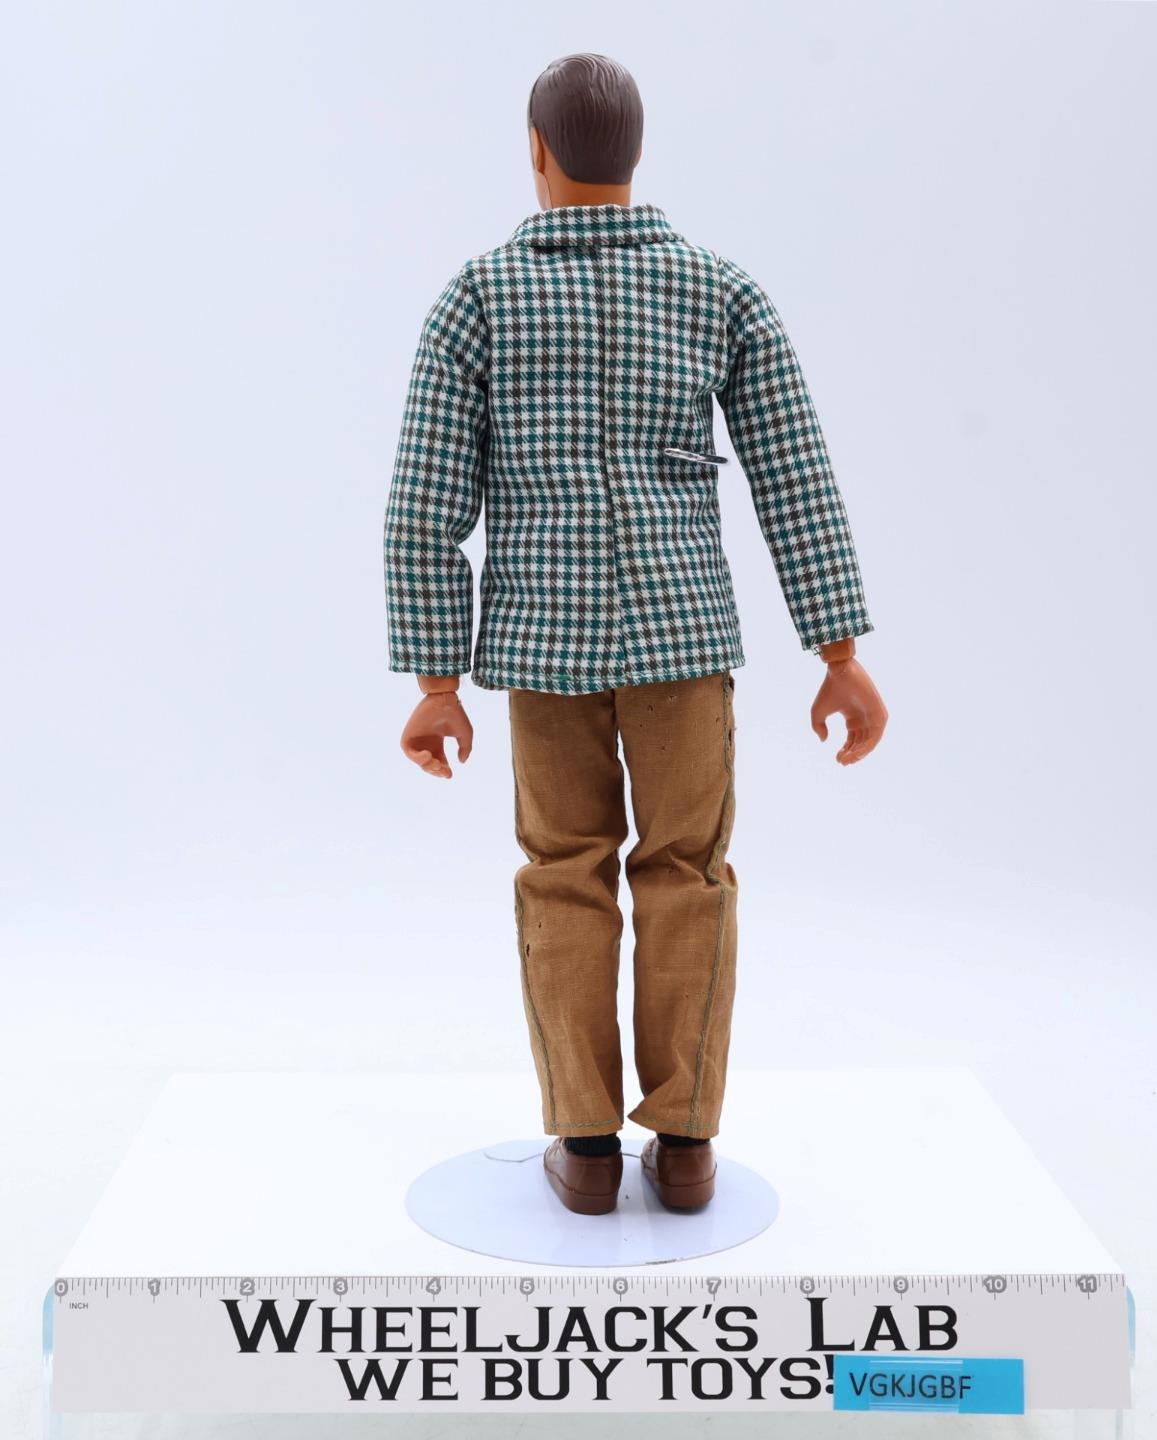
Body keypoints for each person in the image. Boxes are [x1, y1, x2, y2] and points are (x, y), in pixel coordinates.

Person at [384, 53, 888, 1216]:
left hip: (540, 650)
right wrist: (837, 652)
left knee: (561, 875)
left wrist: (435, 677)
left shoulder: (477, 299)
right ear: (637, 154)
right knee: (687, 875)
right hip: (683, 646)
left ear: (534, 151)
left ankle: (585, 1144)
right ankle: (689, 1141)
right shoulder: (719, 291)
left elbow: (426, 502)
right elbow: (793, 474)